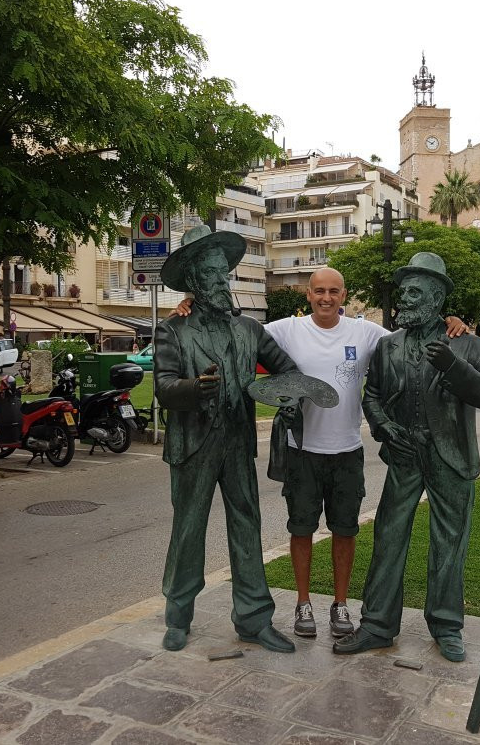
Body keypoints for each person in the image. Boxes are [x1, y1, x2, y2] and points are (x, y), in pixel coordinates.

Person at [175, 267, 467, 640]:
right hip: (301, 451)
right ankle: (303, 602)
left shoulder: (366, 333)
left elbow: (413, 333)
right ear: (308, 295)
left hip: (347, 450)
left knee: (344, 532)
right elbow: (235, 332)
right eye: (319, 291)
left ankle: (340, 603)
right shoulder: (285, 330)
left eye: (333, 291)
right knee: (301, 530)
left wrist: (450, 320)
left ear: (344, 295)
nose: (326, 298)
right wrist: (191, 305)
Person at [333, 252, 480, 662]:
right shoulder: (388, 346)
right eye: (403, 291)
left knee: (449, 543)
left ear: (436, 298)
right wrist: (384, 427)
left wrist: (453, 365)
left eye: (414, 292)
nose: (404, 298)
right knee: (389, 537)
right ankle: (377, 625)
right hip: (405, 454)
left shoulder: (466, 342)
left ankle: (446, 626)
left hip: (451, 457)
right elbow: (371, 395)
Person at [154, 224, 298, 654]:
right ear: (195, 281)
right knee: (187, 530)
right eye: (214, 275)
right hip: (193, 445)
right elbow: (163, 385)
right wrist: (191, 390)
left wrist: (279, 395)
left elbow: (286, 370)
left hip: (236, 444)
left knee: (247, 526)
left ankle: (254, 619)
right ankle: (178, 616)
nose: (222, 281)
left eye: (225, 273)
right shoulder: (172, 331)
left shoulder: (250, 330)